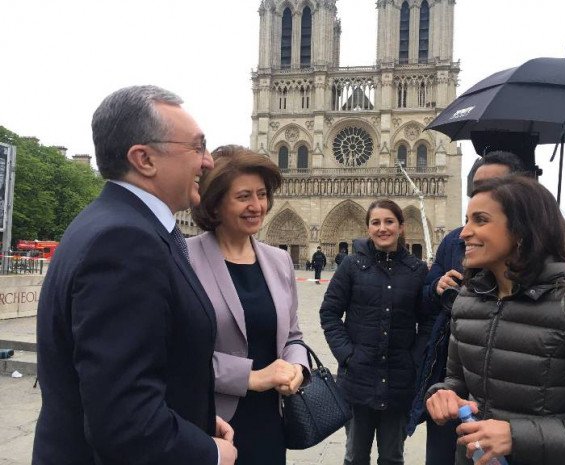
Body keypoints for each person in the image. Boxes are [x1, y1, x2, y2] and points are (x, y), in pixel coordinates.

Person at [32, 85, 236, 465]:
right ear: (144, 159)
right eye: (197, 147)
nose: (208, 161)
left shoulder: (118, 224)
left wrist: (194, 419)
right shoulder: (124, 242)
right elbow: (124, 421)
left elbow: (138, 372)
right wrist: (208, 453)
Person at [426, 176, 565, 465]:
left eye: (480, 220)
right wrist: (443, 395)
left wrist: (516, 437)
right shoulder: (467, 301)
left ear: (522, 230)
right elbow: (456, 381)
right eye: (467, 220)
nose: (463, 233)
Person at [187, 145, 309, 465]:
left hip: (270, 421)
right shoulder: (184, 259)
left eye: (262, 194)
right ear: (215, 204)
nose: (257, 206)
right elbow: (176, 352)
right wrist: (251, 377)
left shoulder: (279, 260)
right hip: (210, 421)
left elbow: (293, 336)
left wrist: (297, 368)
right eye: (244, 196)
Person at [408, 151, 526, 465]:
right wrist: (437, 288)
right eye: (477, 189)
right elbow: (422, 304)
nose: (484, 195)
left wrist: (519, 435)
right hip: (456, 393)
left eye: (496, 186)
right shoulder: (454, 243)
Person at [320, 199, 429, 465]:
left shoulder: (417, 270)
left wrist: (413, 360)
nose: (382, 228)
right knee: (355, 456)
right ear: (368, 228)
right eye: (375, 222)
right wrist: (348, 355)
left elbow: (428, 323)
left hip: (398, 382)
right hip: (357, 380)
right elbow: (329, 313)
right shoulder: (351, 265)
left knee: (392, 457)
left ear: (401, 227)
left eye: (389, 222)